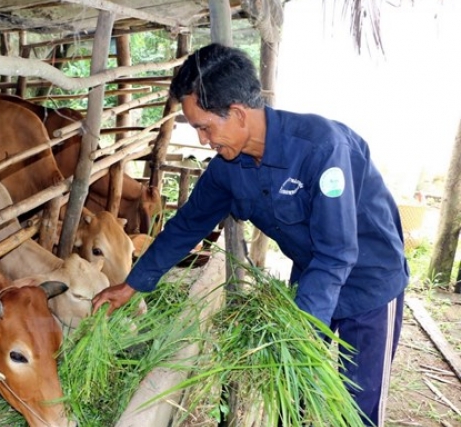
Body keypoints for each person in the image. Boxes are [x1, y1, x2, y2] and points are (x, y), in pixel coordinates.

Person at [91, 43, 408, 427]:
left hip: (369, 281)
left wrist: (298, 332)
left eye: (205, 127)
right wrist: (131, 286)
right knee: (296, 393)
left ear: (238, 113)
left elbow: (337, 253)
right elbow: (188, 225)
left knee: (357, 408)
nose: (203, 141)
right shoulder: (230, 165)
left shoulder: (322, 149)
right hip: (312, 273)